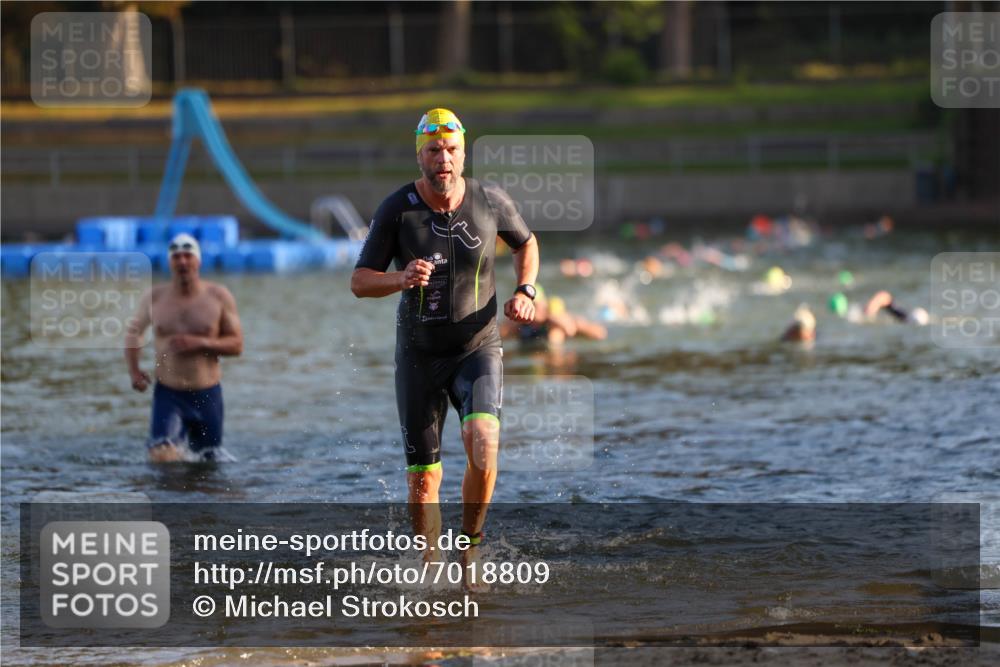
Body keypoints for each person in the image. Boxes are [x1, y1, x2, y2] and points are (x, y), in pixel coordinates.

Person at [351, 108, 538, 582]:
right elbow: (358, 282)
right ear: (420, 156)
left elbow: (526, 244)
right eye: (433, 150)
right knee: (423, 481)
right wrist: (398, 278)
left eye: (451, 149)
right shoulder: (398, 209)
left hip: (478, 347)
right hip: (418, 355)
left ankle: (469, 554)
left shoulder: (490, 199)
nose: (443, 159)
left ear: (463, 152)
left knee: (483, 443)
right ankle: (430, 569)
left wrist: (525, 291)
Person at [125, 233, 244, 463]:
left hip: (207, 394)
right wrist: (134, 371)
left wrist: (201, 343)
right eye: (176, 257)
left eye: (187, 256)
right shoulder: (154, 297)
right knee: (163, 458)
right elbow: (133, 333)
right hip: (169, 394)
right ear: (170, 262)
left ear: (198, 261)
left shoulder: (219, 296)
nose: (182, 262)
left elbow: (237, 345)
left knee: (208, 463)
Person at [501, 285, 607, 347]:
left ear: (545, 305)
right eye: (528, 306)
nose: (532, 311)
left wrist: (549, 318)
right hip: (531, 352)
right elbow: (496, 337)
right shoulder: (519, 324)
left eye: (536, 306)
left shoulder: (558, 320)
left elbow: (600, 334)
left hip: (556, 350)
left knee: (556, 333)